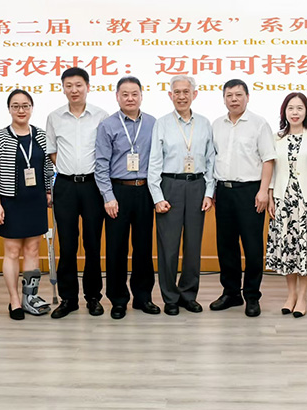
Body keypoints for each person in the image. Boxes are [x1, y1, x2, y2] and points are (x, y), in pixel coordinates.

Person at [148, 74, 215, 315]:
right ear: (170, 95)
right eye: (177, 92)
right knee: (168, 246)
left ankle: (188, 295)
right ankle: (170, 297)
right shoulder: (162, 123)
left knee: (193, 246)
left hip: (197, 186)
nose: (181, 96)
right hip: (170, 186)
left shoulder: (204, 123)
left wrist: (209, 192)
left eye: (186, 91)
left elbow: (211, 160)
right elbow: (154, 162)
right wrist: (157, 197)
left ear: (194, 94)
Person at [46, 67, 109, 319]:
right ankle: (68, 299)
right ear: (63, 88)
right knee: (68, 244)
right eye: (69, 85)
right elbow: (52, 151)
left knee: (93, 244)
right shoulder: (54, 117)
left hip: (93, 186)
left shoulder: (101, 116)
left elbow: (105, 151)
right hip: (65, 186)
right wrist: (69, 169)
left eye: (79, 85)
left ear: (88, 87)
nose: (74, 90)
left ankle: (93, 297)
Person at [95, 76, 160, 319]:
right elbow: (101, 164)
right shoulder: (107, 125)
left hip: (144, 191)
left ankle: (143, 298)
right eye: (125, 94)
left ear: (142, 96)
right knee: (116, 249)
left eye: (134, 94)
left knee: (143, 248)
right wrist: (108, 197)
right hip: (117, 191)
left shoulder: (153, 123)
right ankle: (118, 300)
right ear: (117, 97)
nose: (130, 98)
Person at [210, 79, 276, 317]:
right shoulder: (217, 125)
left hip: (251, 192)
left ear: (247, 97)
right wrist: (212, 191)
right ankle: (231, 293)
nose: (234, 99)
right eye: (229, 95)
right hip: (223, 191)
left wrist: (263, 191)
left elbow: (268, 159)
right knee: (226, 246)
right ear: (224, 99)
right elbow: (212, 159)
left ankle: (252, 296)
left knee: (252, 246)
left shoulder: (259, 124)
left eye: (238, 95)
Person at [0, 89, 53, 320]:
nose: (21, 110)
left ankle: (29, 298)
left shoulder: (41, 135)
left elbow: (48, 166)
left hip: (35, 201)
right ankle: (14, 300)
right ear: (9, 109)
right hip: (10, 202)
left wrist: (48, 191)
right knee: (12, 251)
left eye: (25, 106)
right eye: (15, 106)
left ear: (32, 108)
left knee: (33, 250)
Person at [266, 93, 307, 318]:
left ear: (306, 112)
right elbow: (272, 170)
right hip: (283, 200)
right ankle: (290, 295)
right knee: (287, 248)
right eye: (290, 108)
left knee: (305, 249)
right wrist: (270, 195)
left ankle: (302, 297)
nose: (295, 112)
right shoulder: (276, 138)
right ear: (284, 112)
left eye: (299, 108)